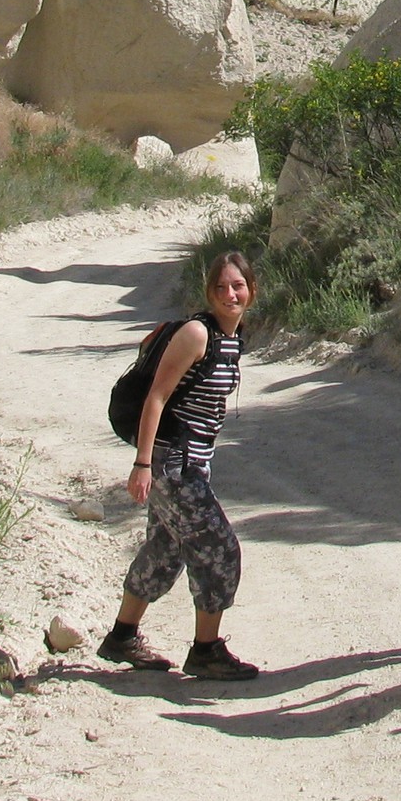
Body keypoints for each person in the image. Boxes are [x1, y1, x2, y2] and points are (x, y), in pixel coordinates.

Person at [97, 252, 260, 680]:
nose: (230, 294)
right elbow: (155, 396)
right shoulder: (196, 334)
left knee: (165, 550)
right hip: (173, 465)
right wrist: (143, 463)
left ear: (251, 291)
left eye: (238, 286)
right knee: (219, 550)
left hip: (191, 463)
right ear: (209, 292)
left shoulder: (234, 336)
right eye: (221, 287)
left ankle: (121, 636)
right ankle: (206, 650)